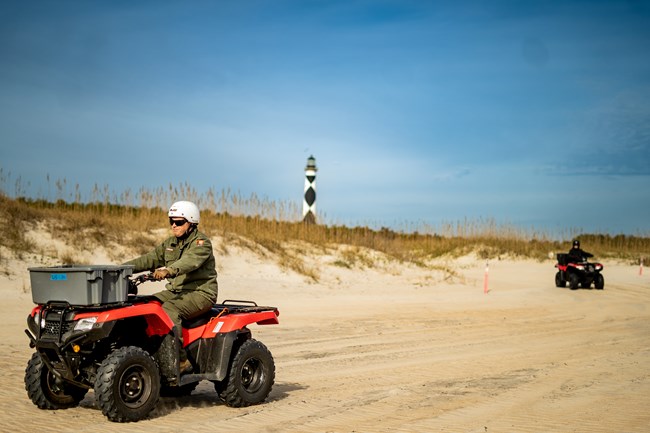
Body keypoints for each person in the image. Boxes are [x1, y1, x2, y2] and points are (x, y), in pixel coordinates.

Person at [124, 200, 218, 373]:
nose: (174, 225)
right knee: (144, 306)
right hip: (176, 291)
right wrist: (122, 268)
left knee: (168, 310)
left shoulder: (202, 243)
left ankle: (181, 361)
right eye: (171, 221)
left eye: (179, 222)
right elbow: (149, 259)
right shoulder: (170, 244)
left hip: (201, 293)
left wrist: (168, 270)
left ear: (191, 223)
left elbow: (189, 262)